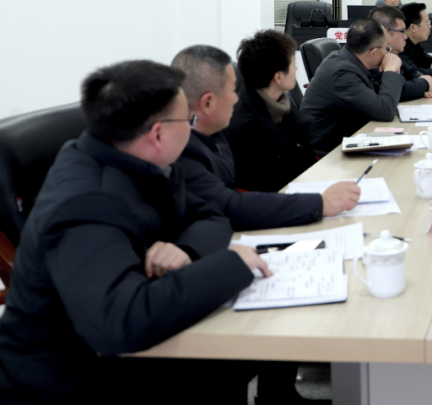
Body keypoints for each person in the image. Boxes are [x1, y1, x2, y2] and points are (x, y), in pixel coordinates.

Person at [0, 60, 268, 404]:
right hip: (65, 381)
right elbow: (121, 323)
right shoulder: (84, 204)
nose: (192, 128)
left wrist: (186, 250)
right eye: (187, 120)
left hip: (117, 348)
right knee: (235, 355)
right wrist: (232, 265)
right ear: (158, 134)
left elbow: (210, 215)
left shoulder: (143, 163)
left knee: (242, 350)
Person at [172, 45, 361, 231]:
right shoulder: (182, 152)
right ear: (207, 103)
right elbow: (230, 206)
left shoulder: (214, 134)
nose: (236, 98)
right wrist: (320, 203)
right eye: (232, 91)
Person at [222, 30, 317, 193]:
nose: (296, 69)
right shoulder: (246, 126)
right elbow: (271, 182)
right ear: (278, 77)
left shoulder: (279, 103)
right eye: (293, 64)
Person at [301, 18, 406, 153]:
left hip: (346, 141)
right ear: (373, 52)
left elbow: (379, 93)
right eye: (387, 48)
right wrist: (390, 71)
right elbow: (385, 111)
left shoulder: (349, 61)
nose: (388, 53)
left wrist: (423, 87)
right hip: (326, 155)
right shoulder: (341, 73)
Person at [369, 5, 432, 102]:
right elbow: (393, 90)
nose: (406, 36)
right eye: (402, 31)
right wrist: (424, 85)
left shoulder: (392, 55)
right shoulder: (372, 59)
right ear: (385, 33)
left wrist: (420, 87)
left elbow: (414, 74)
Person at [401, 2, 432, 80]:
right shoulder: (401, 48)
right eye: (427, 22)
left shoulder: (415, 45)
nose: (430, 26)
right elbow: (414, 74)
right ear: (413, 27)